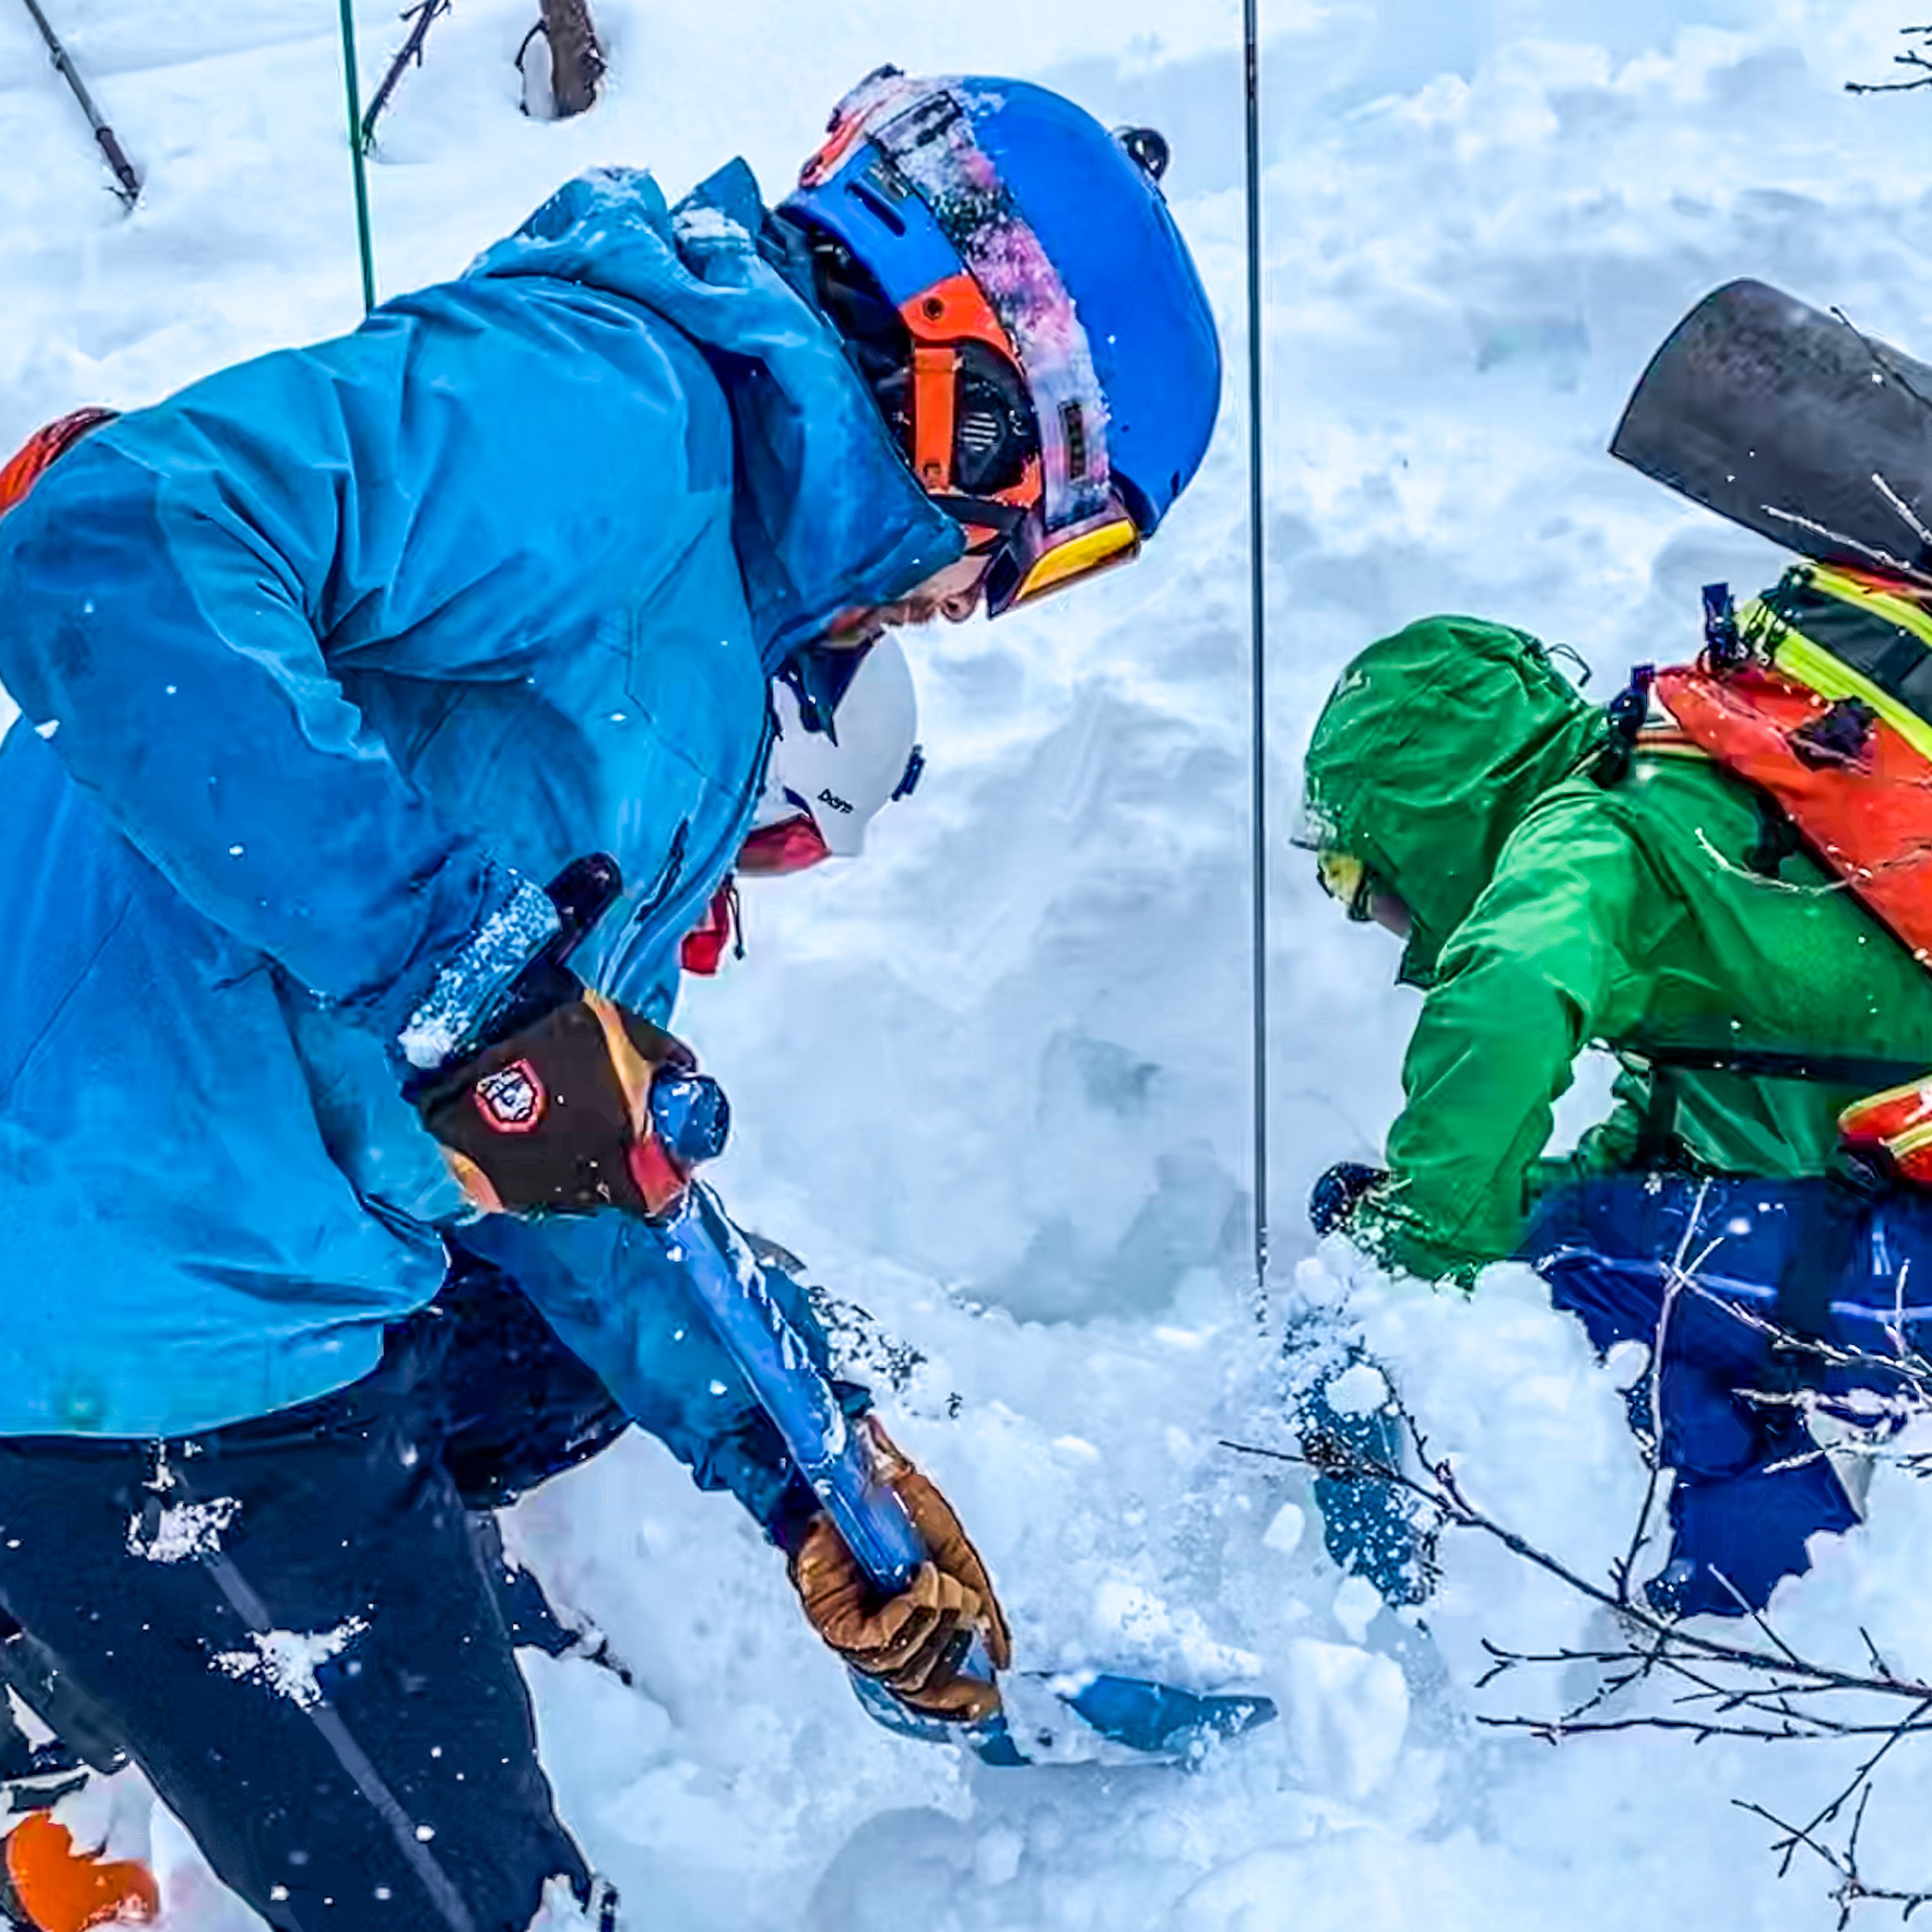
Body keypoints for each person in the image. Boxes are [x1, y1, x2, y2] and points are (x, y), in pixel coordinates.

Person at [0, 64, 1220, 1932]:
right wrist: (456, 976)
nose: (985, 601)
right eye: (1054, 539)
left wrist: (809, 1469)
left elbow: (563, 1136)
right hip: (147, 1315)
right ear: (982, 399)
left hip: (211, 1263)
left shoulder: (711, 632)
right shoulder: (609, 408)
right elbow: (115, 539)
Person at [1300, 592, 1932, 1618]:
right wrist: (1496, 1211)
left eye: (1361, 873)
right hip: (1902, 1237)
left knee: (1582, 1264)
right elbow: (1687, 1135)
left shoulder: (1583, 836)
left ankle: (1421, 1642)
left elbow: (1506, 993)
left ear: (1430, 812)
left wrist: (1414, 1247)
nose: (1376, 912)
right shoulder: (1678, 791)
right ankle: (1746, 1616)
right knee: (1605, 1262)